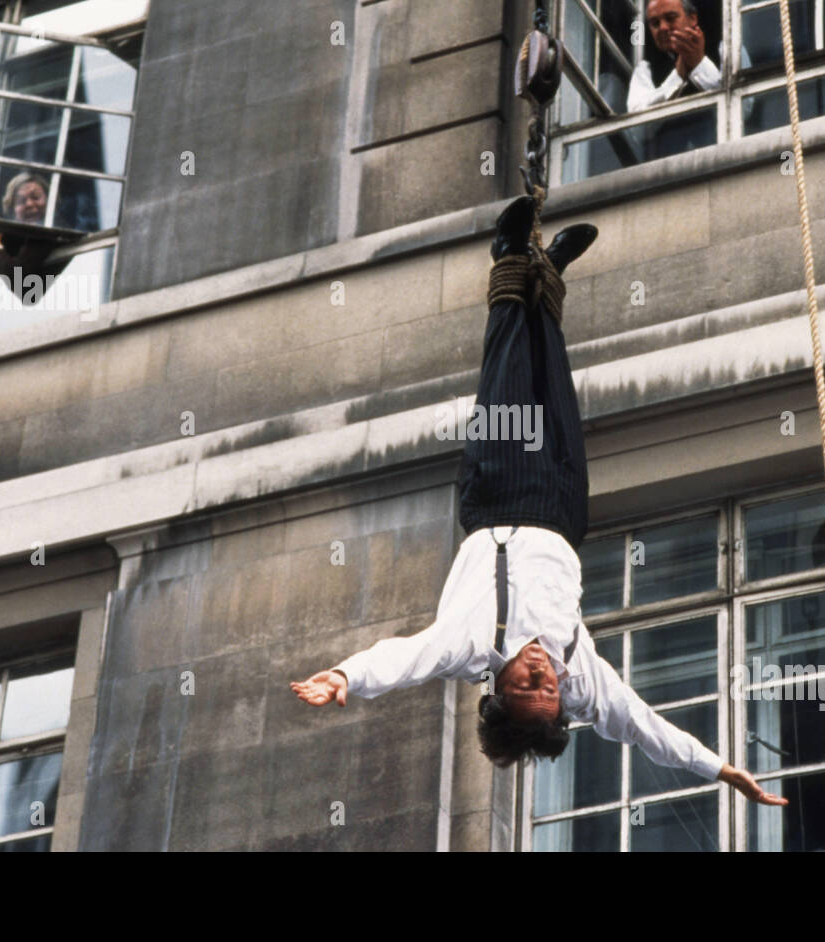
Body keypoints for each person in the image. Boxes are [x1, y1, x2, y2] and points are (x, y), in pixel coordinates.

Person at [292, 195, 788, 809]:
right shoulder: (580, 679)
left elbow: (404, 658)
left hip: (498, 495)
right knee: (553, 381)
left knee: (507, 367)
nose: (542, 672)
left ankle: (508, 258)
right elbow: (643, 727)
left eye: (528, 683)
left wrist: (346, 675)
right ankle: (548, 273)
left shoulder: (469, 644)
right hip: (561, 509)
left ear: (497, 690)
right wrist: (720, 769)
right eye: (547, 686)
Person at [0, 173, 70, 303]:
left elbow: (24, 286)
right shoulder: (16, 242)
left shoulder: (54, 231)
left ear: (51, 200)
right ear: (13, 212)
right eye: (21, 201)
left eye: (36, 197)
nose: (29, 204)